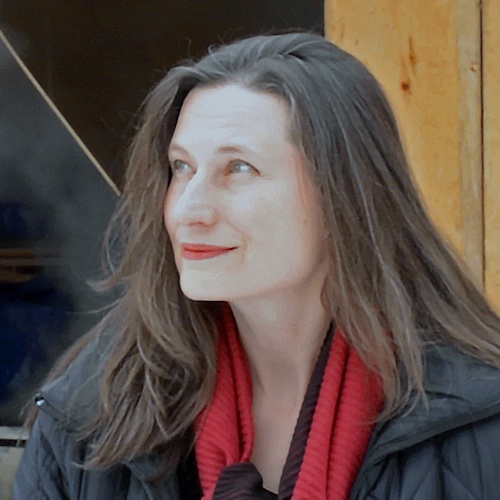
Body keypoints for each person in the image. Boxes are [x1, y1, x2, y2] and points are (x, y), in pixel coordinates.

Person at [13, 32, 500, 499]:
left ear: (345, 193)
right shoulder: (86, 419)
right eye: (182, 167)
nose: (188, 210)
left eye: (238, 168)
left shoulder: (480, 426)